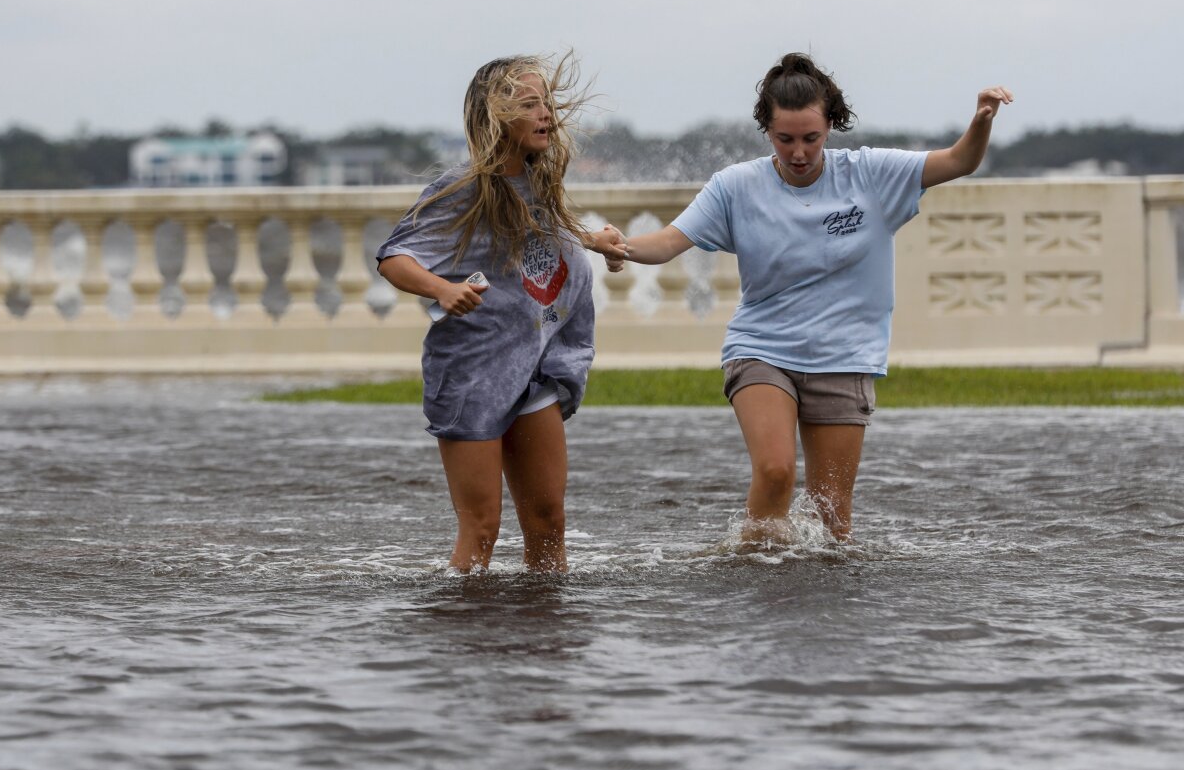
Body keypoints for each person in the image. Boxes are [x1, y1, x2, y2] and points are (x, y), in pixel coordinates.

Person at [608, 53, 1012, 544]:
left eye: (810, 139)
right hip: (762, 348)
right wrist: (622, 247)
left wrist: (981, 122)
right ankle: (750, 574)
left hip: (844, 356)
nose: (798, 153)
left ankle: (820, 613)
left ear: (831, 127)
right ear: (767, 131)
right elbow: (670, 241)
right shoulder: (736, 186)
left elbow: (960, 161)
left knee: (833, 517)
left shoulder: (870, 175)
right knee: (776, 472)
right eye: (785, 140)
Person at [376, 53, 626, 572]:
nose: (546, 116)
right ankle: (467, 637)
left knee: (549, 521)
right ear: (496, 117)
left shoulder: (538, 183)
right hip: (472, 375)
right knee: (483, 527)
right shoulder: (462, 188)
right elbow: (394, 257)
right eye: (530, 105)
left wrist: (592, 240)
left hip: (533, 371)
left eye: (547, 104)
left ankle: (544, 635)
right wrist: (441, 290)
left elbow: (541, 235)